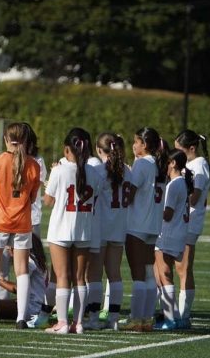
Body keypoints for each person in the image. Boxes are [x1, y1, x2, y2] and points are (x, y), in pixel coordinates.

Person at [0, 122, 40, 329]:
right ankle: (21, 319)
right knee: (22, 271)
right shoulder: (34, 165)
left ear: (6, 139)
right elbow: (32, 198)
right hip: (22, 222)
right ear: (26, 140)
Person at [44, 127, 100, 335]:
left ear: (67, 149)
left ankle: (62, 322)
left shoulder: (59, 170)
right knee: (79, 278)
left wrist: (49, 179)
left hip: (61, 229)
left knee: (62, 276)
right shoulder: (94, 172)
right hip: (84, 230)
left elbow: (48, 201)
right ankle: (79, 323)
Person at [121, 127, 168, 332]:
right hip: (153, 224)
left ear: (145, 145)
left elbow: (129, 195)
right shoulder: (159, 164)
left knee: (138, 273)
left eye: (137, 141)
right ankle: (147, 318)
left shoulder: (142, 164)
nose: (134, 145)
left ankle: (136, 318)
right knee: (149, 273)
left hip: (137, 224)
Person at [86, 133, 132, 331]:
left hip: (101, 226)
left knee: (94, 275)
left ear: (98, 150)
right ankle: (113, 319)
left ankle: (94, 318)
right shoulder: (127, 171)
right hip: (119, 226)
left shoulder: (98, 170)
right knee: (114, 274)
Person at [173, 130, 210, 329]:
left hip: (190, 221)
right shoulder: (190, 164)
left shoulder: (199, 165)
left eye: (180, 150)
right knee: (178, 267)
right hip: (182, 220)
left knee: (184, 268)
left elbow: (194, 196)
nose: (176, 153)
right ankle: (176, 313)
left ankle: (183, 315)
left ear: (191, 148)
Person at [154, 149, 194, 330]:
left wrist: (152, 212)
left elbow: (167, 214)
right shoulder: (181, 183)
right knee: (162, 274)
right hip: (178, 233)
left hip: (168, 233)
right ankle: (174, 317)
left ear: (173, 163)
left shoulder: (174, 184)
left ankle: (170, 318)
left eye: (167, 162)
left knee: (164, 274)